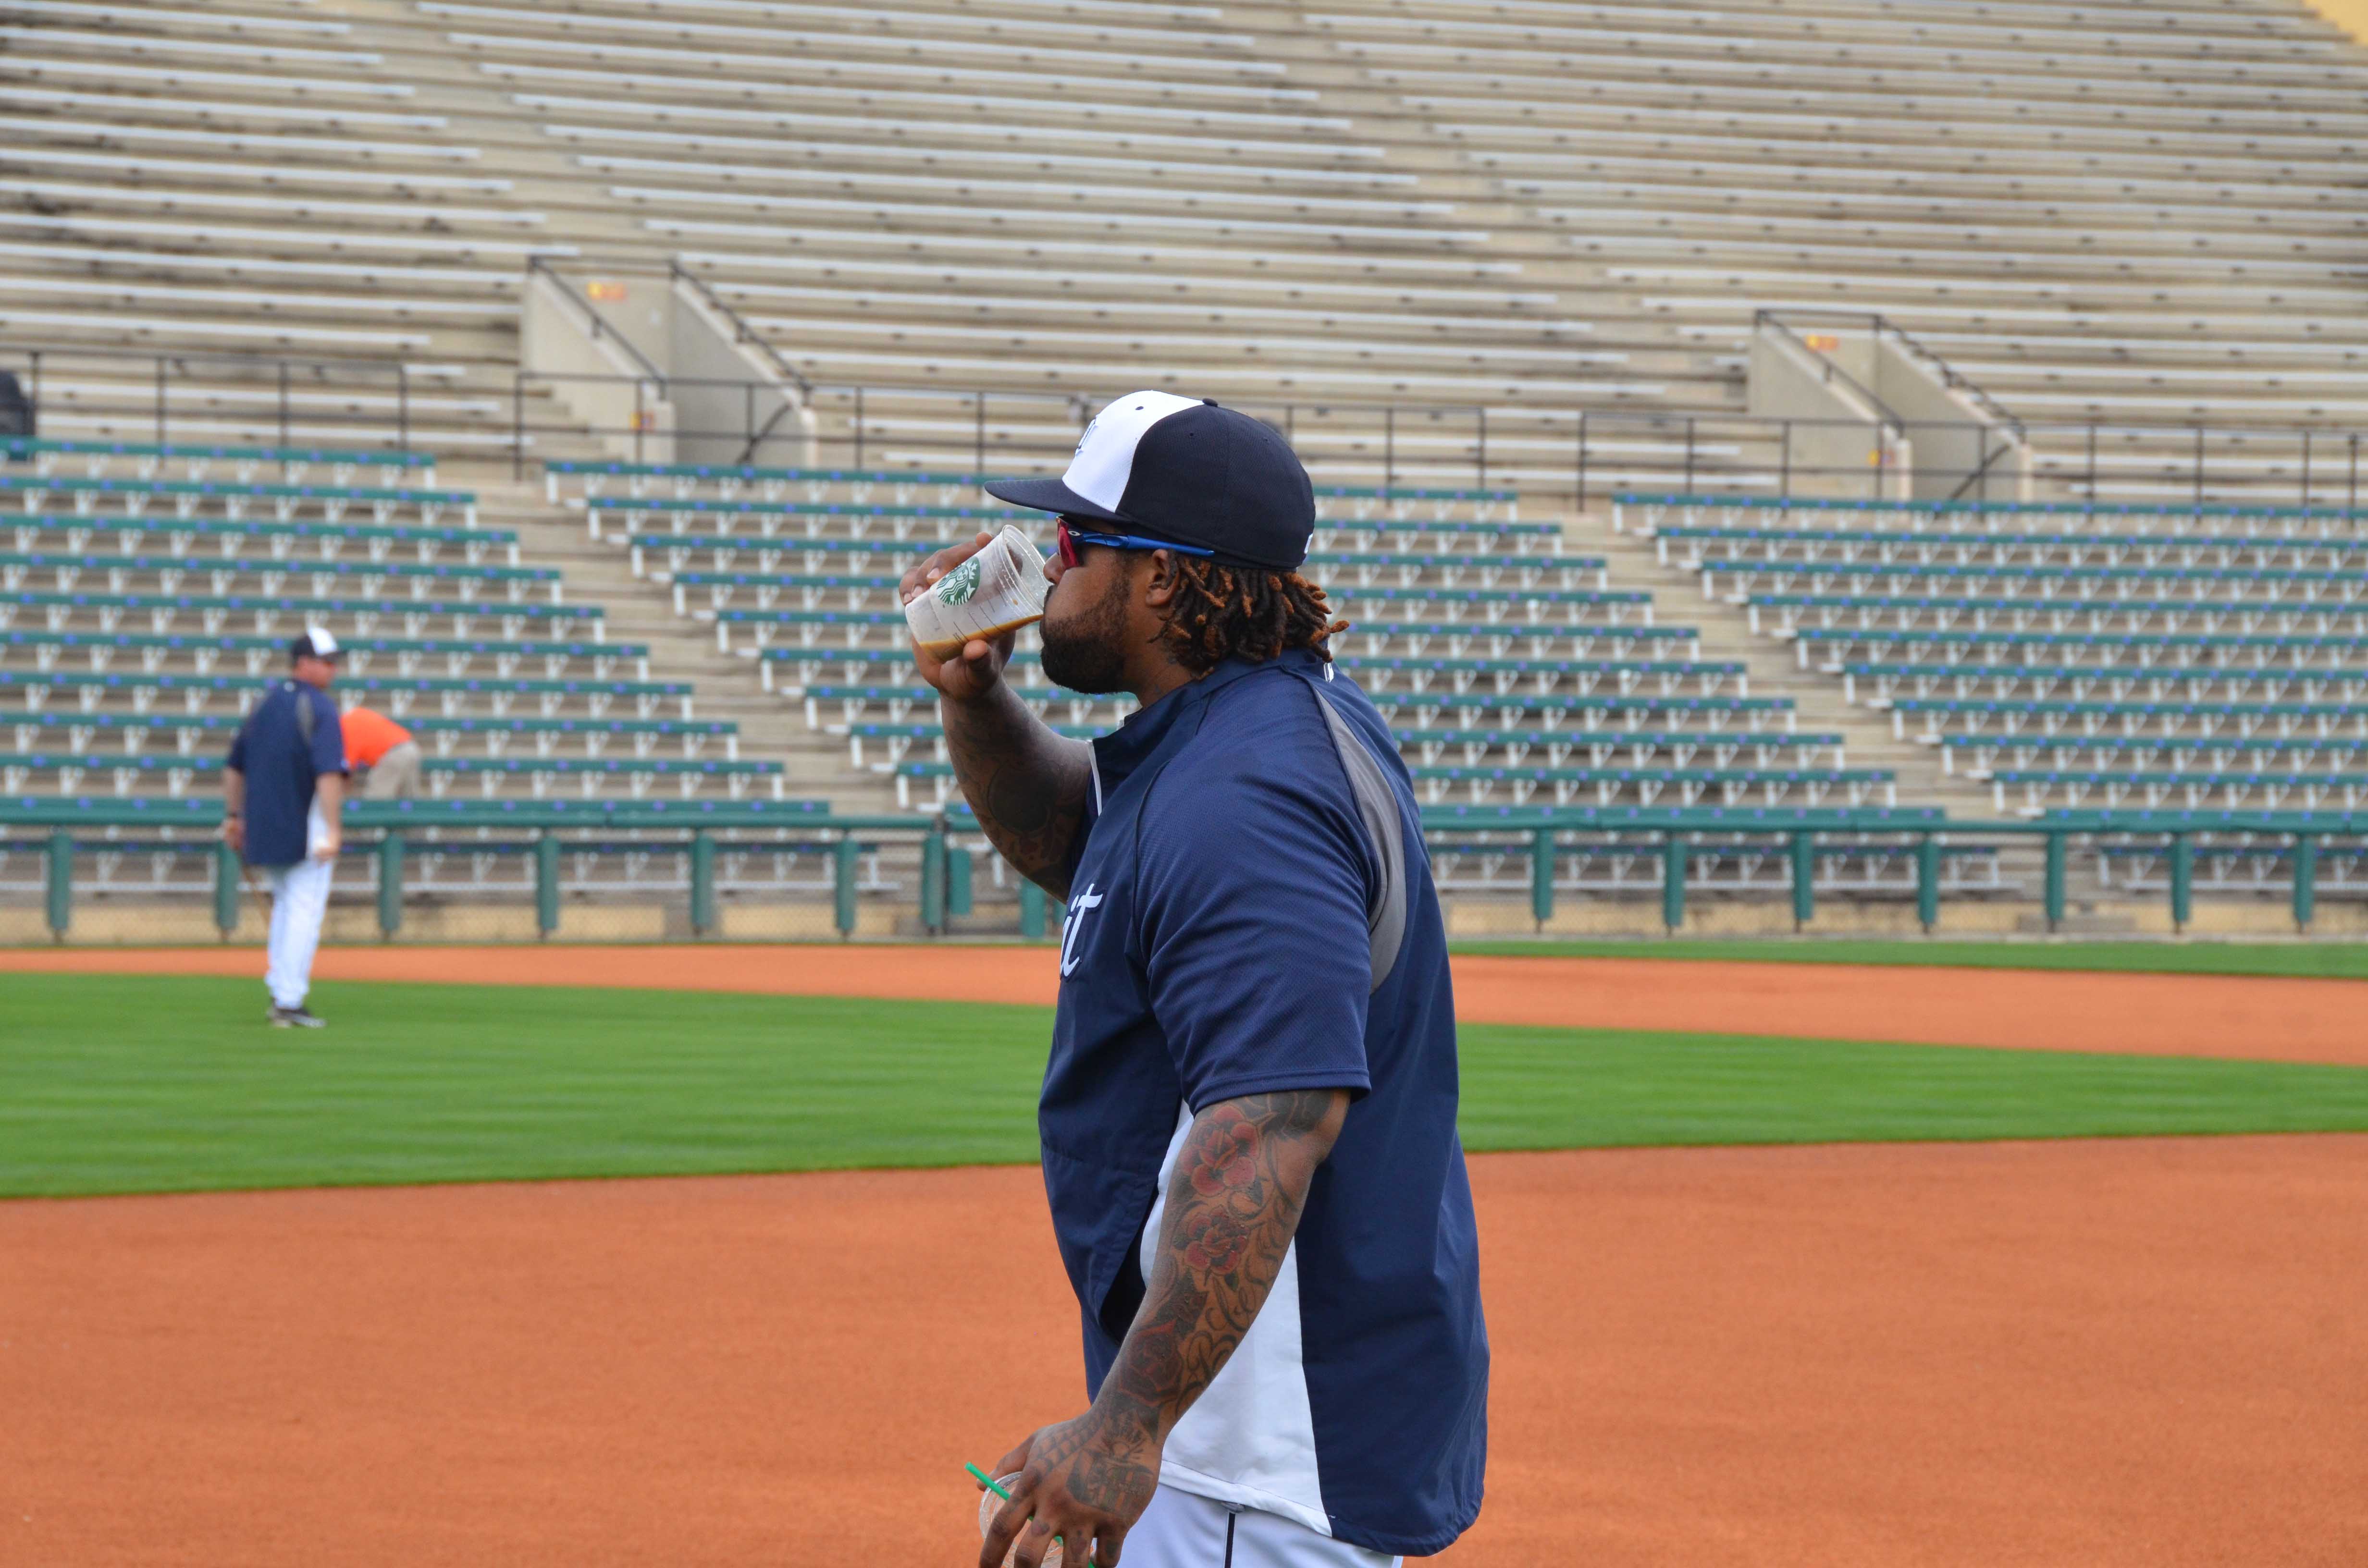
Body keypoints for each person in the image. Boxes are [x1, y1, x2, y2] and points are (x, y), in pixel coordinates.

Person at [907, 392, 1487, 1568]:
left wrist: (1130, 1420)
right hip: (1257, 1433)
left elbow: (1273, 1119)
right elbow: (1074, 836)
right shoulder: (1238, 736)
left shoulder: (1248, 799)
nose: (1043, 567)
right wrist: (975, 695)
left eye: (1077, 545)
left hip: (1257, 1459)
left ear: (1164, 581)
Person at [222, 628, 348, 1028]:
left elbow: (233, 766)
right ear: (303, 663)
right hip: (304, 823)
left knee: (285, 908)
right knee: (303, 912)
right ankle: (289, 1000)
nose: (332, 670)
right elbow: (328, 774)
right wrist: (333, 829)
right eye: (326, 662)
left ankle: (281, 989)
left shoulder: (265, 704)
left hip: (263, 821)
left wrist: (234, 816)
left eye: (334, 662)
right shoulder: (320, 708)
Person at [342, 704, 422, 799]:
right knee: (409, 803)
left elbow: (346, 772)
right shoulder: (355, 714)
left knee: (376, 804)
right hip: (411, 748)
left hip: (394, 754)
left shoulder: (345, 729)